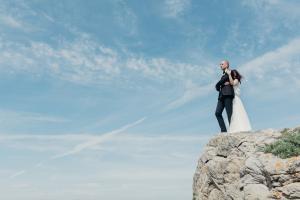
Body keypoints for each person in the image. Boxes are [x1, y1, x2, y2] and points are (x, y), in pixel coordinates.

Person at [215, 60, 235, 133]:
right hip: (221, 96)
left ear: (226, 65)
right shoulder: (223, 74)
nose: (220, 65)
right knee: (217, 113)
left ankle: (232, 130)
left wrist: (218, 84)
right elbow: (219, 86)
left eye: (222, 64)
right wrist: (220, 85)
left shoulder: (230, 72)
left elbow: (222, 81)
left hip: (228, 94)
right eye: (220, 64)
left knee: (229, 113)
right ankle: (223, 130)